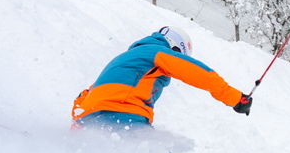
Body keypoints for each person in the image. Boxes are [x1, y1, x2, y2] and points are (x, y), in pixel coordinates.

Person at [72, 26, 251, 129]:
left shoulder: (126, 60)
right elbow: (198, 73)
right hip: (122, 115)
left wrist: (77, 128)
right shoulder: (156, 52)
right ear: (175, 49)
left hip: (89, 120)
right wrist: (235, 98)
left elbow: (83, 97)